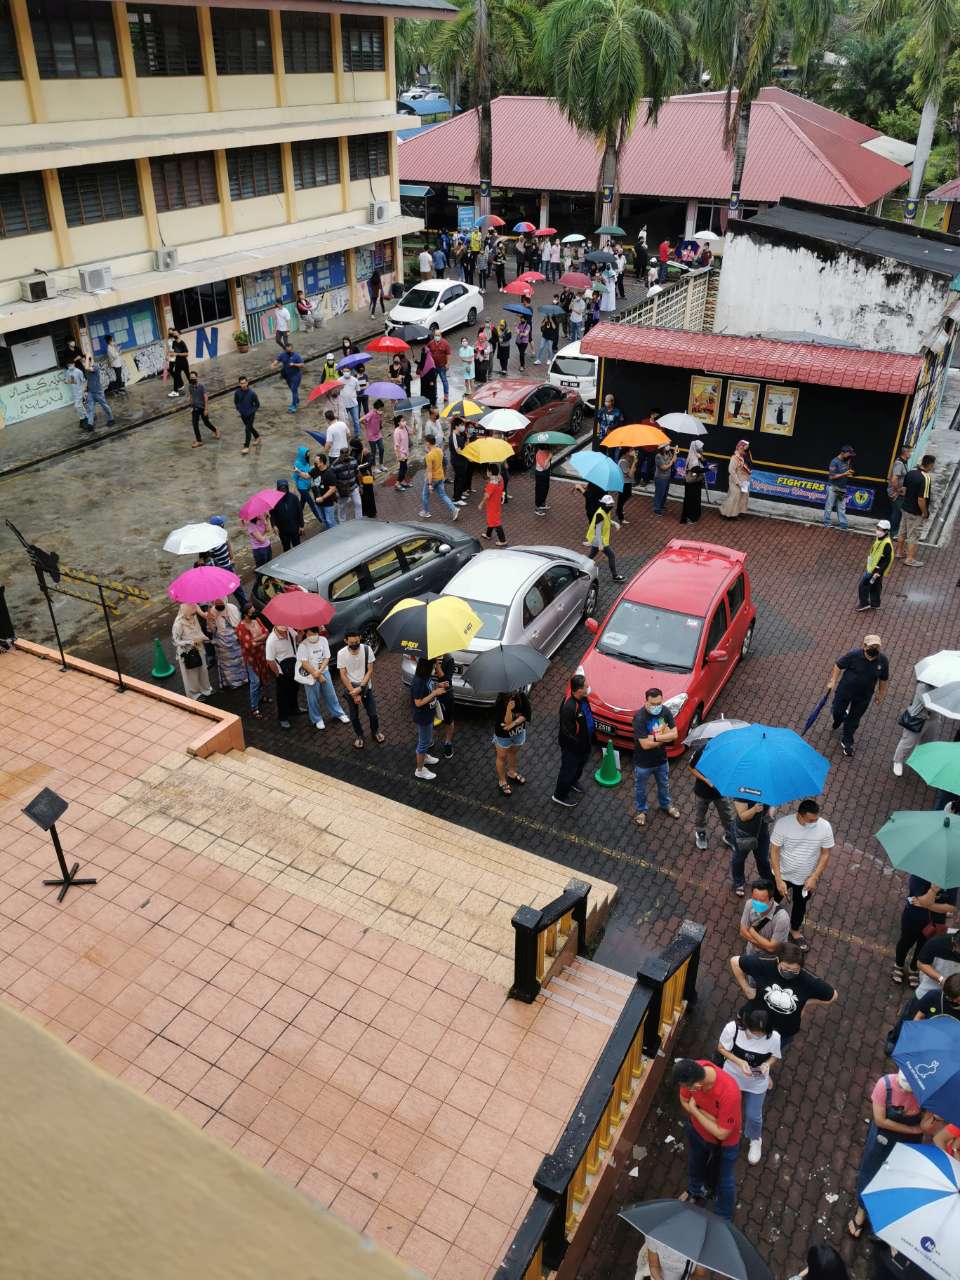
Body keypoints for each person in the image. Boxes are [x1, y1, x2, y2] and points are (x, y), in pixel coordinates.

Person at [848, 1070, 926, 1239]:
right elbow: (881, 1120)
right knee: (870, 1172)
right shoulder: (885, 1086)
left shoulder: (925, 1093)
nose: (906, 1092)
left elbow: (926, 1124)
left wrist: (931, 1121)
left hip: (908, 1142)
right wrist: (912, 1129)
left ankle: (881, 1216)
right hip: (883, 1139)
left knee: (896, 1178)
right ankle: (861, 1210)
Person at [730, 943, 837, 1050]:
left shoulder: (809, 981)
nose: (789, 973)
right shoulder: (765, 965)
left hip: (783, 1031)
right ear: (778, 960)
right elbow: (735, 961)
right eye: (785, 968)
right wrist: (746, 989)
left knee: (769, 1053)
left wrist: (806, 1002)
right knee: (739, 1045)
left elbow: (832, 996)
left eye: (795, 970)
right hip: (754, 1021)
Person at [672, 1057, 741, 1219]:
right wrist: (712, 1119)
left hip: (725, 1144)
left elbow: (723, 1133)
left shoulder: (730, 1092)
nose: (682, 1090)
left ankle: (723, 1218)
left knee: (725, 1181)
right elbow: (684, 1100)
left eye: (684, 1087)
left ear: (696, 1087)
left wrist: (696, 1111)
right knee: (695, 1163)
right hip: (696, 1131)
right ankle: (695, 1191)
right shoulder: (693, 1071)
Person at [717, 1007, 780, 1166]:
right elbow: (721, 1048)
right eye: (755, 1032)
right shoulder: (733, 1029)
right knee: (727, 1107)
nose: (758, 1035)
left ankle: (755, 1139)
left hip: (757, 1080)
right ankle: (726, 1132)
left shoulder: (774, 1037)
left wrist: (766, 1065)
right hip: (732, 1075)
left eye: (762, 1033)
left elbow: (774, 1057)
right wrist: (740, 1062)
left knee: (753, 1115)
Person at [770, 798, 835, 948]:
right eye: (811, 820)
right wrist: (779, 880)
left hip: (806, 879)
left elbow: (825, 854)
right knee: (772, 901)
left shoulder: (824, 827)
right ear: (800, 815)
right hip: (783, 875)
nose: (815, 822)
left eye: (816, 819)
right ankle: (765, 923)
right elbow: (774, 851)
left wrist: (814, 877)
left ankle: (794, 930)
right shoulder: (783, 824)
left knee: (800, 905)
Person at [827, 634, 889, 758]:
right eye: (872, 646)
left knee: (854, 719)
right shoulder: (853, 655)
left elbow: (883, 679)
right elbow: (838, 665)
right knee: (837, 711)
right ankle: (839, 718)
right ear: (865, 646)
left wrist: (880, 694)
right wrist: (833, 680)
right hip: (845, 691)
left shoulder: (883, 661)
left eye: (877, 647)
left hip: (864, 696)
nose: (875, 649)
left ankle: (847, 741)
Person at [892, 878, 956, 986]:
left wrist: (927, 905)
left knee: (924, 947)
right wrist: (933, 890)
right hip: (913, 917)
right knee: (906, 942)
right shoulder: (919, 875)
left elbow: (951, 907)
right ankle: (898, 965)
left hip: (935, 923)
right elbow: (923, 900)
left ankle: (914, 969)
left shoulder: (951, 881)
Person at [633, 687, 680, 827]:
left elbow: (675, 734)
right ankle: (641, 811)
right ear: (646, 702)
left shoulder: (665, 711)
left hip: (661, 760)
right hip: (643, 763)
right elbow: (644, 745)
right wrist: (664, 738)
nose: (656, 707)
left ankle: (666, 805)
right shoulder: (639, 718)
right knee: (640, 788)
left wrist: (653, 738)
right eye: (653, 704)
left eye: (659, 703)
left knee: (664, 785)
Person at [295, 625, 351, 730]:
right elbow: (304, 663)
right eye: (311, 634)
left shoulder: (323, 640)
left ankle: (338, 713)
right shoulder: (303, 645)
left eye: (315, 633)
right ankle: (317, 719)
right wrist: (315, 674)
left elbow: (327, 657)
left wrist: (320, 672)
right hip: (310, 675)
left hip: (323, 671)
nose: (313, 636)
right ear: (306, 633)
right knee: (312, 698)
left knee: (331, 694)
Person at [553, 674, 594, 807]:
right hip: (573, 748)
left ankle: (573, 782)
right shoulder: (569, 707)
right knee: (568, 770)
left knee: (579, 766)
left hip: (584, 744)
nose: (588, 687)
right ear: (579, 690)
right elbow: (566, 732)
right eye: (586, 686)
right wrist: (579, 744)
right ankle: (559, 795)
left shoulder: (583, 698)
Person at [338, 630, 384, 748]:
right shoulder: (341, 654)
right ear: (346, 641)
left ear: (360, 639)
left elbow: (370, 671)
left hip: (365, 686)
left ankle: (375, 732)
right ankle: (359, 735)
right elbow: (343, 675)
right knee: (354, 716)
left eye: (357, 641)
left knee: (373, 714)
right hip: (350, 688)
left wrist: (361, 688)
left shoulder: (367, 650)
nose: (355, 644)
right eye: (352, 642)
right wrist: (354, 693)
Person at [689, 746, 737, 854]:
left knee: (727, 814)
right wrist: (706, 780)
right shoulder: (701, 751)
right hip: (702, 791)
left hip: (720, 792)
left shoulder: (729, 753)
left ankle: (730, 836)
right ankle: (700, 833)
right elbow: (691, 768)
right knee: (700, 815)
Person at [490, 688, 531, 796]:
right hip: (503, 736)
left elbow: (527, 712)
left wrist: (514, 724)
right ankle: (502, 781)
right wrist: (509, 709)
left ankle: (511, 773)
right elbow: (505, 722)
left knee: (513, 752)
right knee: (501, 757)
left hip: (518, 732)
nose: (514, 691)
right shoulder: (499, 703)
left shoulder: (521, 695)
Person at [897, 454, 935, 568]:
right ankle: (909, 559)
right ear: (930, 465)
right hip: (915, 512)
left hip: (905, 508)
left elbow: (903, 490)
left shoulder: (911, 472)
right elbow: (921, 499)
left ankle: (899, 552)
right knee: (914, 535)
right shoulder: (926, 478)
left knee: (902, 531)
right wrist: (924, 512)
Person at [892, 679, 936, 777]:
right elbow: (929, 705)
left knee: (927, 743)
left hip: (933, 719)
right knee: (908, 743)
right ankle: (897, 761)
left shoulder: (942, 688)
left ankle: (920, 760)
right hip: (917, 719)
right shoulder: (922, 686)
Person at [410, 656, 444, 780]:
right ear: (427, 667)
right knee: (423, 743)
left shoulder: (426, 677)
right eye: (434, 665)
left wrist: (438, 686)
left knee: (426, 739)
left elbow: (429, 688)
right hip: (423, 716)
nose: (435, 667)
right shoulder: (418, 682)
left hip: (428, 714)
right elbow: (418, 702)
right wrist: (434, 693)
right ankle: (420, 770)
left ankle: (424, 757)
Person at [739, 880, 791, 956]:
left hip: (770, 958)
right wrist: (766, 945)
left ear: (772, 900)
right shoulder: (749, 904)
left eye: (762, 901)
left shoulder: (782, 918)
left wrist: (752, 932)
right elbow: (743, 932)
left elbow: (772, 948)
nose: (757, 903)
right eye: (755, 899)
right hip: (751, 952)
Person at [236, 604, 270, 718]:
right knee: (255, 682)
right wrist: (261, 640)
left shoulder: (257, 620)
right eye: (252, 612)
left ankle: (261, 697)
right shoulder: (241, 627)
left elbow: (266, 632)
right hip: (251, 660)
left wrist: (256, 640)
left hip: (261, 656)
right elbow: (249, 645)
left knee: (262, 678)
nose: (254, 613)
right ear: (246, 614)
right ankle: (254, 707)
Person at [172, 604, 212, 700]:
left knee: (203, 671)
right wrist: (191, 642)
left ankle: (206, 690)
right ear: (186, 612)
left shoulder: (193, 617)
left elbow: (198, 631)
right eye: (192, 613)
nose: (194, 615)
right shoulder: (178, 624)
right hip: (187, 653)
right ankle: (195, 695)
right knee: (191, 675)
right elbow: (175, 641)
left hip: (199, 649)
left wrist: (204, 637)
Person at [204, 599, 246, 690]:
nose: (219, 604)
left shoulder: (232, 608)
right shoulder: (211, 612)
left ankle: (244, 679)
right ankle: (233, 683)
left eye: (221, 602)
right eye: (217, 603)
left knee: (240, 661)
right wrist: (209, 620)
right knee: (228, 667)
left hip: (236, 641)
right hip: (222, 645)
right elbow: (211, 631)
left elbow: (239, 623)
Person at [731, 802, 773, 891]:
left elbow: (773, 804)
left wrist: (770, 813)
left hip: (762, 833)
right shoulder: (743, 791)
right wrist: (754, 810)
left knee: (763, 859)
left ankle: (766, 881)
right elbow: (743, 817)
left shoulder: (768, 790)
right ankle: (738, 882)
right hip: (744, 834)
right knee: (739, 859)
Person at [584, 495, 624, 582]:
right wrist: (600, 544)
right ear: (604, 504)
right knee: (611, 555)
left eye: (611, 504)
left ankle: (581, 567)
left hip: (598, 539)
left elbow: (607, 520)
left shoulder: (605, 511)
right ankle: (615, 576)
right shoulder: (600, 515)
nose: (611, 506)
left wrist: (614, 523)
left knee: (591, 555)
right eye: (609, 504)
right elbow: (597, 530)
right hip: (598, 539)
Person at [265, 623, 298, 729]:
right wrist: (277, 673)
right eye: (281, 623)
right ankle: (283, 718)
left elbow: (297, 640)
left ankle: (295, 709)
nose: (284, 626)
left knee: (295, 689)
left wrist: (300, 633)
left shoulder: (290, 630)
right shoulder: (271, 640)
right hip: (282, 672)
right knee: (283, 696)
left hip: (294, 667)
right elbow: (270, 660)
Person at [420, 433, 459, 520]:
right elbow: (439, 464)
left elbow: (430, 471)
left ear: (428, 443)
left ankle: (426, 512)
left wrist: (429, 485)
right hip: (440, 477)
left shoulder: (429, 456)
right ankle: (454, 509)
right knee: (443, 495)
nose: (425, 444)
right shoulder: (439, 450)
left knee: (425, 495)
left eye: (425, 442)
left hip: (433, 479)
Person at [915, 924, 960, 997]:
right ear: (955, 944)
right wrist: (941, 979)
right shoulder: (936, 943)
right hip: (931, 987)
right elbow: (921, 964)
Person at [858, 520, 894, 610]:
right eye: (877, 528)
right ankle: (875, 603)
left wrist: (878, 571)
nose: (878, 530)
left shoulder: (886, 544)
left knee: (863, 585)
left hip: (875, 570)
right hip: (873, 568)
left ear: (886, 531)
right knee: (875, 586)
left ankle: (864, 603)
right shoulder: (881, 538)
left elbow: (886, 560)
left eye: (880, 529)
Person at [823, 446, 856, 529]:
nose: (850, 456)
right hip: (833, 487)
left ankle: (844, 525)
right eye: (849, 454)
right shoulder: (834, 461)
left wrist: (850, 472)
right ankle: (827, 523)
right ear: (842, 453)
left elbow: (847, 471)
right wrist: (845, 474)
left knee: (842, 508)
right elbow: (832, 477)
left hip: (842, 488)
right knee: (829, 506)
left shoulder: (847, 461)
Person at [79, 355, 115, 430]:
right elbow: (88, 379)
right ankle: (90, 424)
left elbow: (87, 367)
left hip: (98, 392)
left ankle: (111, 419)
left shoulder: (95, 366)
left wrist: (88, 354)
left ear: (88, 361)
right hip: (91, 392)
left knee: (104, 406)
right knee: (90, 409)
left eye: (83, 361)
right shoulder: (86, 370)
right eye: (82, 362)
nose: (83, 363)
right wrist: (85, 388)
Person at [292, 445, 324, 524]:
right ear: (302, 455)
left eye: (309, 454)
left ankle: (298, 518)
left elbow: (309, 472)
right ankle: (321, 520)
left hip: (307, 486)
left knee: (302, 503)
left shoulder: (306, 461)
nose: (308, 456)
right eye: (307, 455)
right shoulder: (297, 464)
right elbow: (295, 477)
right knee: (311, 503)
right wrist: (294, 488)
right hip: (302, 487)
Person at [186, 371, 219, 447]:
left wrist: (206, 409)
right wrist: (190, 405)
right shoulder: (190, 386)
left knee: (206, 423)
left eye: (193, 377)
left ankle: (215, 430)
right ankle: (199, 441)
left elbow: (206, 398)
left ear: (197, 378)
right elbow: (191, 396)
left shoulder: (201, 386)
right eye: (191, 378)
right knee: (195, 424)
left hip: (202, 407)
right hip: (195, 408)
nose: (192, 379)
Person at [719, 441, 751, 519]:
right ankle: (726, 513)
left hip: (744, 480)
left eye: (747, 448)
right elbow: (731, 470)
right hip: (736, 479)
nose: (745, 449)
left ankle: (737, 512)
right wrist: (737, 481)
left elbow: (749, 467)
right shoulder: (735, 457)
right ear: (740, 447)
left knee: (743, 496)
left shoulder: (746, 456)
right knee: (734, 496)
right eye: (744, 447)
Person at [269, 479, 304, 550]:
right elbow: (272, 514)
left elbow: (299, 512)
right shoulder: (274, 500)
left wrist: (301, 525)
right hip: (282, 530)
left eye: (284, 488)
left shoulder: (294, 498)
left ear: (287, 488)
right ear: (278, 489)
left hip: (295, 528)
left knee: (298, 548)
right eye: (281, 489)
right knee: (286, 548)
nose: (283, 491)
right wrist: (274, 525)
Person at [331, 446, 362, 522]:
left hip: (354, 487)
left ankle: (360, 521)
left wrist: (360, 486)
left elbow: (358, 473)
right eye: (344, 454)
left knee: (358, 504)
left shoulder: (353, 460)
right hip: (342, 490)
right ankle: (342, 523)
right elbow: (333, 480)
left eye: (347, 454)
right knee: (342, 507)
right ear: (340, 454)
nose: (346, 456)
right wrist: (335, 492)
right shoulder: (334, 465)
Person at [272, 346, 305, 414]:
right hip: (287, 376)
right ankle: (297, 400)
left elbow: (302, 365)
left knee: (294, 390)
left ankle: (294, 406)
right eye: (287, 350)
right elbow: (277, 360)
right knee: (292, 389)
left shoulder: (296, 356)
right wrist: (273, 364)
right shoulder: (283, 355)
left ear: (292, 349)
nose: (288, 352)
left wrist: (294, 364)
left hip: (296, 376)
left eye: (289, 350)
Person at [887, 445, 910, 539]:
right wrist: (897, 491)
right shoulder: (899, 463)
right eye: (910, 452)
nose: (911, 454)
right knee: (897, 513)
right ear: (906, 452)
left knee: (897, 512)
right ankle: (893, 533)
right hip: (896, 493)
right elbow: (893, 479)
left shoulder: (903, 462)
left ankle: (891, 531)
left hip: (897, 492)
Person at [233, 377, 261, 454]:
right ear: (239, 384)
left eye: (244, 383)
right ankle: (257, 437)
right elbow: (236, 402)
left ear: (247, 383)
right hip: (243, 414)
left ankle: (246, 447)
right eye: (241, 383)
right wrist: (239, 409)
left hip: (251, 414)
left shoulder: (252, 393)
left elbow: (257, 404)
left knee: (247, 429)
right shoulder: (237, 392)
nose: (243, 385)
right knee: (250, 427)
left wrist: (252, 411)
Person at [680, 440, 705, 524]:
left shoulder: (698, 456)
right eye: (700, 447)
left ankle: (694, 516)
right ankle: (689, 518)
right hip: (691, 483)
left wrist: (701, 458)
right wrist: (708, 469)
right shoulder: (693, 458)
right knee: (690, 500)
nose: (702, 448)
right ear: (696, 448)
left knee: (696, 500)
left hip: (697, 482)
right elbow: (696, 469)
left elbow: (705, 462)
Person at [480, 464, 506, 544]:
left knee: (495, 522)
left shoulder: (491, 484)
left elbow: (487, 496)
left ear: (490, 472)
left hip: (491, 505)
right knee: (491, 519)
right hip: (497, 503)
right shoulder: (500, 479)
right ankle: (488, 534)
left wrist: (481, 504)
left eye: (487, 471)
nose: (487, 472)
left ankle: (503, 540)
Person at [427, 326, 452, 402]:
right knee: (433, 382)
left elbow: (449, 354)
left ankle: (446, 396)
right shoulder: (430, 343)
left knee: (444, 380)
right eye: (435, 335)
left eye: (438, 335)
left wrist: (448, 363)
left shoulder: (445, 343)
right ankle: (434, 394)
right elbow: (427, 351)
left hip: (442, 366)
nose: (437, 337)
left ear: (441, 336)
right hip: (433, 367)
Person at [450, 418, 471, 506]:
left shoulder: (460, 434)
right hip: (457, 461)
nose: (463, 427)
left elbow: (465, 446)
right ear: (456, 426)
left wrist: (468, 438)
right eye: (461, 425)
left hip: (463, 460)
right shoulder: (453, 436)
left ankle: (458, 494)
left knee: (461, 478)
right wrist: (466, 453)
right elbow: (458, 450)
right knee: (459, 478)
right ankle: (456, 499)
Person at [652, 441, 677, 515]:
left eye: (668, 445)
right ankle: (657, 509)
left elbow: (674, 460)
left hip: (667, 477)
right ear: (662, 448)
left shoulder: (668, 453)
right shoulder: (658, 456)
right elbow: (663, 467)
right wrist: (671, 462)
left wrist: (675, 452)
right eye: (666, 445)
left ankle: (661, 506)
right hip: (660, 478)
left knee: (664, 493)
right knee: (659, 493)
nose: (668, 447)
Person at [363, 399, 385, 470]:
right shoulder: (371, 413)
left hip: (378, 434)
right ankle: (374, 467)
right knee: (374, 451)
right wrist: (367, 426)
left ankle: (381, 465)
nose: (382, 410)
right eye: (381, 408)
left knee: (381, 449)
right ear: (377, 408)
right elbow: (360, 420)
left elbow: (380, 423)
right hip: (371, 436)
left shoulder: (380, 414)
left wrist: (381, 422)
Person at [167, 328, 190, 396]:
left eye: (175, 333)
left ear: (179, 334)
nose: (174, 334)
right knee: (176, 376)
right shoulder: (174, 343)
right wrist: (171, 354)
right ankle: (175, 391)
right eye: (173, 333)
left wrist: (177, 354)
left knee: (188, 375)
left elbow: (186, 354)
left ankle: (195, 387)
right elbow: (175, 351)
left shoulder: (182, 343)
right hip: (177, 362)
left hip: (184, 362)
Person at [65, 358, 87, 426]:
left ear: (74, 364)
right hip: (74, 392)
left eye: (71, 364)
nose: (70, 366)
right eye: (68, 365)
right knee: (80, 406)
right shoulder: (68, 371)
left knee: (77, 406)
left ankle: (82, 418)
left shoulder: (79, 371)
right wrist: (67, 381)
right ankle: (87, 416)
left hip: (80, 391)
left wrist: (84, 391)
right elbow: (69, 381)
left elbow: (84, 381)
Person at [339, 369, 361, 437]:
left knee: (356, 421)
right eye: (345, 371)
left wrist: (352, 396)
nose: (346, 372)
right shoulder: (339, 380)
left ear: (350, 371)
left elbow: (358, 390)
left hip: (353, 404)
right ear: (342, 371)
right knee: (343, 422)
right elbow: (336, 391)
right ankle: (345, 435)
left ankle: (357, 435)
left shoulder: (355, 380)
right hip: (343, 405)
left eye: (348, 371)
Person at [534, 444, 553, 516]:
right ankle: (537, 507)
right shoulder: (539, 454)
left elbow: (548, 465)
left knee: (546, 489)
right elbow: (545, 466)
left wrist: (549, 457)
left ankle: (542, 504)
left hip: (546, 474)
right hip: (540, 474)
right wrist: (549, 458)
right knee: (540, 490)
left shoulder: (546, 452)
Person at [393, 415, 411, 490]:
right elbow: (396, 445)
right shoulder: (397, 432)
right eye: (402, 421)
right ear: (398, 423)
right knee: (403, 468)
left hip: (406, 451)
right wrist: (399, 456)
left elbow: (412, 432)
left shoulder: (405, 427)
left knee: (404, 468)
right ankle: (397, 484)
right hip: (401, 453)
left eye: (404, 420)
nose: (404, 422)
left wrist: (413, 423)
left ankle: (402, 481)